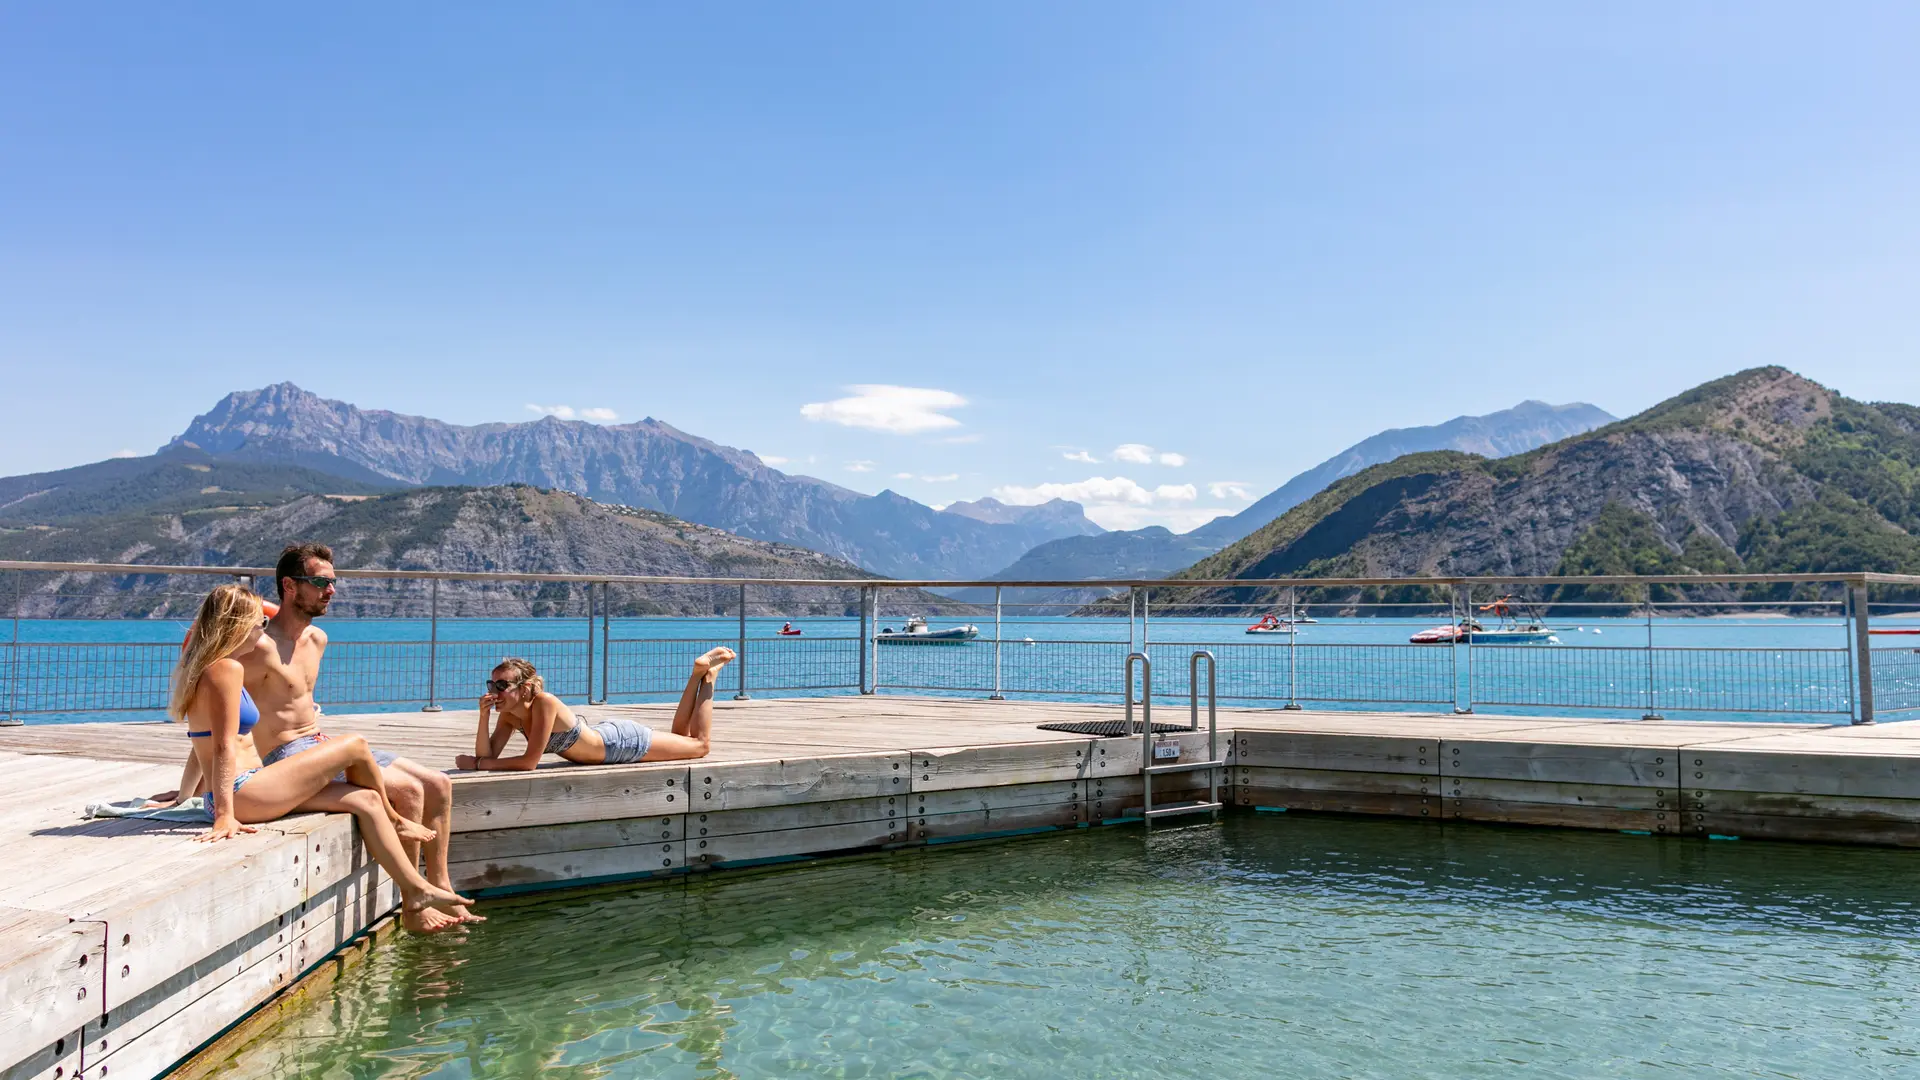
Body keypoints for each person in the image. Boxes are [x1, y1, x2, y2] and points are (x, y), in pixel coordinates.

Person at [163, 583, 474, 926]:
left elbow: (202, 744)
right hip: (244, 791)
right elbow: (221, 747)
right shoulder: (227, 669)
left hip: (248, 789)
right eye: (258, 624)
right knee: (354, 745)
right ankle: (398, 821)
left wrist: (183, 796)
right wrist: (224, 814)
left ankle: (415, 893)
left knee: (366, 800)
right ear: (237, 625)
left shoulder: (205, 667)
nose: (262, 632)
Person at [240, 542, 480, 932]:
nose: (331, 591)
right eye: (321, 583)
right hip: (285, 759)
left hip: (319, 742)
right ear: (289, 586)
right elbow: (222, 711)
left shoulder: (317, 639)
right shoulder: (259, 648)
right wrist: (199, 781)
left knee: (439, 783)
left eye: (333, 582)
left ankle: (441, 886)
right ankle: (413, 907)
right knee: (411, 792)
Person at [455, 648, 732, 771]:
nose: (494, 691)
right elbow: (487, 754)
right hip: (605, 739)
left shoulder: (544, 703)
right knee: (680, 737)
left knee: (699, 745)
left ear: (524, 688)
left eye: (502, 685)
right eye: (492, 685)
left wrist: (479, 764)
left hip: (619, 746)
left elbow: (528, 762)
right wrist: (483, 717)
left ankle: (707, 678)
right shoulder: (509, 715)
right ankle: (696, 675)